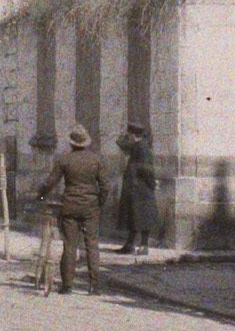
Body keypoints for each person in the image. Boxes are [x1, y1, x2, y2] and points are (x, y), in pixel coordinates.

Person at [37, 122, 107, 294]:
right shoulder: (96, 160)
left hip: (69, 206)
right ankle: (94, 286)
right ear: (86, 142)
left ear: (71, 143)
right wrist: (99, 203)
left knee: (70, 245)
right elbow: (105, 186)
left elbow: (50, 182)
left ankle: (67, 285)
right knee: (92, 244)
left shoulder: (64, 160)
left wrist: (39, 196)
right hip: (91, 206)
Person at [114, 123, 157, 256]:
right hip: (136, 187)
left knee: (142, 217)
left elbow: (147, 169)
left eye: (129, 134)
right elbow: (121, 144)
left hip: (142, 187)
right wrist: (122, 135)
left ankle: (143, 246)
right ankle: (130, 244)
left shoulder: (142, 147)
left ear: (132, 135)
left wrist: (152, 184)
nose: (128, 137)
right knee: (134, 216)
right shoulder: (137, 145)